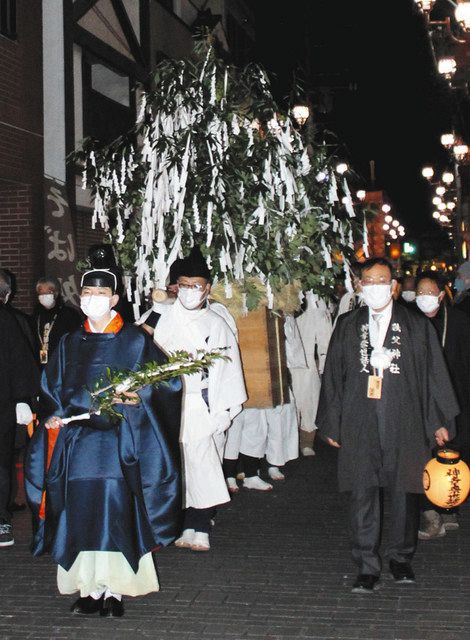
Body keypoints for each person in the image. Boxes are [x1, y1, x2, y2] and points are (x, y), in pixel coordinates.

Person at [25, 268, 182, 617]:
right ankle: (88, 587)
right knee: (78, 509)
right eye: (86, 295)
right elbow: (51, 387)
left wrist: (137, 398)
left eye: (99, 295)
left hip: (118, 440)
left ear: (113, 300)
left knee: (115, 509)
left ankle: (115, 590)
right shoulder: (68, 342)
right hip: (78, 440)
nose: (91, 301)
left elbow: (167, 384)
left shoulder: (134, 341)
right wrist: (52, 412)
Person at [316, 257, 459, 594]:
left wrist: (438, 420)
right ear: (360, 286)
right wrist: (332, 422)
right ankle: (367, 564)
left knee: (404, 491)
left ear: (394, 286)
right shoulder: (349, 325)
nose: (376, 286)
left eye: (382, 280)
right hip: (360, 418)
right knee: (362, 490)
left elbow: (433, 374)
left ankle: (400, 557)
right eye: (369, 281)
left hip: (404, 417)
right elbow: (333, 376)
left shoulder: (414, 325)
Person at [154, 247, 247, 552]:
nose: (190, 292)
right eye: (184, 285)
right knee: (177, 465)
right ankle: (182, 522)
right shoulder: (162, 318)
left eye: (196, 286)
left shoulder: (216, 322)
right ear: (175, 286)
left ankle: (202, 524)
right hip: (169, 403)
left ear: (207, 287)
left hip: (202, 402)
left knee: (204, 464)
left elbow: (228, 367)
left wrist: (222, 411)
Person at [414, 270, 470, 538]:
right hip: (421, 400)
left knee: (453, 453)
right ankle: (429, 512)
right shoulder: (410, 322)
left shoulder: (458, 321)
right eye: (419, 293)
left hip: (455, 397)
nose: (424, 297)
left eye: (429, 292)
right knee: (424, 456)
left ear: (440, 294)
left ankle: (450, 507)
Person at [0, 274, 39, 547]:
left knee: (1, 466)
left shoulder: (6, 320)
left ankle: (1, 520)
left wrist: (22, 399)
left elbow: (17, 358)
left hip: (2, 401)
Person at [30, 276, 82, 367]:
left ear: (56, 293)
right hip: (40, 364)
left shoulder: (69, 314)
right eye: (41, 292)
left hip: (62, 363)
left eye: (49, 291)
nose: (44, 295)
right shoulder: (36, 316)